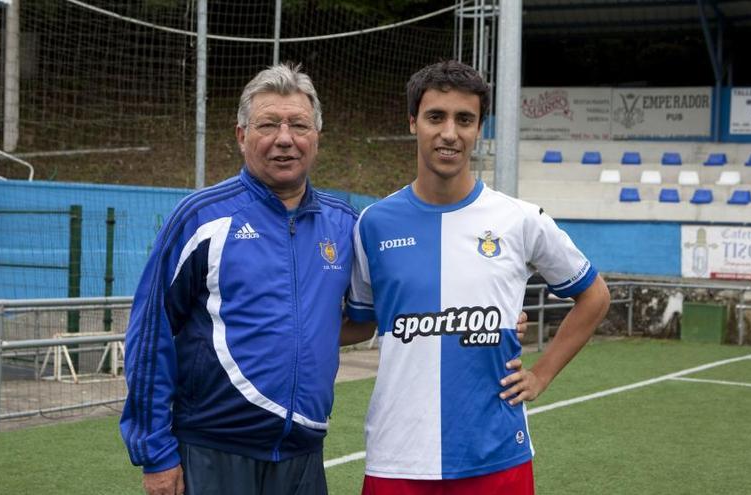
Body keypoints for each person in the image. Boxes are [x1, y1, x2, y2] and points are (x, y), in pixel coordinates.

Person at [119, 62, 532, 495]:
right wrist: (155, 453)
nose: (284, 138)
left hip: (304, 452)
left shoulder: (344, 225)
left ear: (316, 138)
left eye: (298, 124)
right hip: (214, 448)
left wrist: (497, 313)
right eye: (268, 125)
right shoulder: (200, 218)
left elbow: (378, 309)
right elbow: (150, 334)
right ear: (241, 135)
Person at [345, 60, 611, 495]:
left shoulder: (520, 219)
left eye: (464, 119)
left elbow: (595, 296)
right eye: (436, 117)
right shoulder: (373, 224)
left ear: (479, 129)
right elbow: (360, 320)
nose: (450, 132)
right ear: (413, 122)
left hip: (496, 455)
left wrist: (542, 373)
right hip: (398, 456)